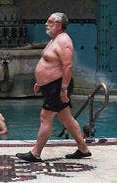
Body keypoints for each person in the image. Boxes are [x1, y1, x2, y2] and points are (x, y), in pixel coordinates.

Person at [16, 12, 93, 162]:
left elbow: (67, 66)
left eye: (50, 22)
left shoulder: (64, 41)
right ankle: (83, 149)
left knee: (46, 117)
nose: (46, 23)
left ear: (59, 26)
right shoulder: (54, 39)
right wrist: (40, 82)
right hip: (51, 86)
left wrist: (63, 88)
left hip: (57, 87)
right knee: (66, 117)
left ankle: (35, 153)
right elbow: (51, 64)